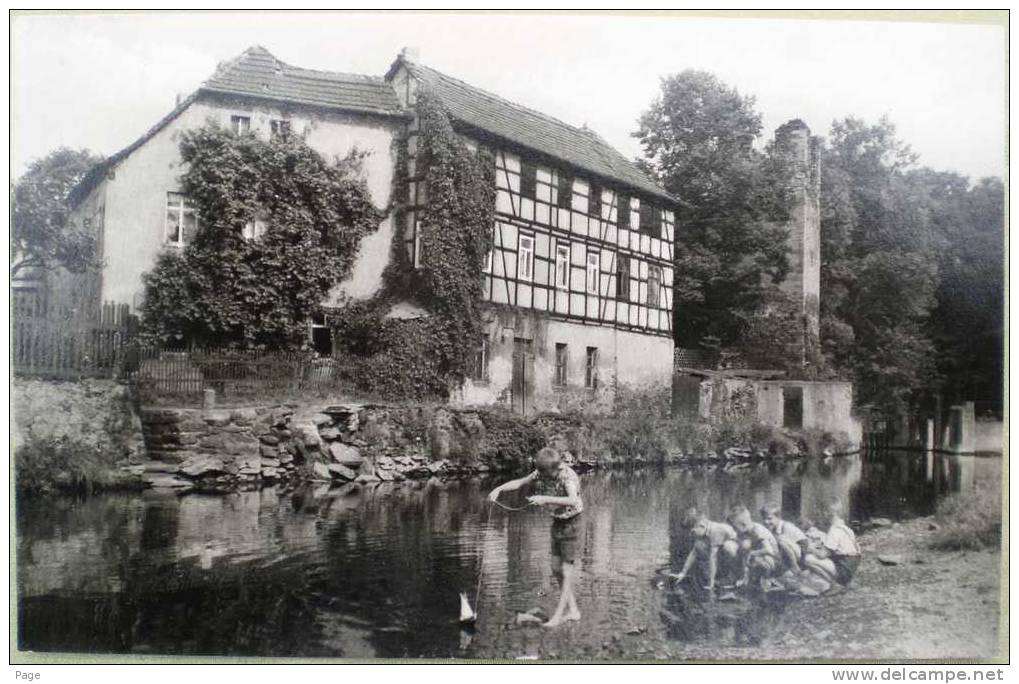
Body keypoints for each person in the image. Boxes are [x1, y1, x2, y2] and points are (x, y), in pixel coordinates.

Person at [487, 447, 583, 628]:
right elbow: (520, 482)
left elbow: (573, 500)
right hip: (558, 523)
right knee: (555, 568)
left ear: (554, 469)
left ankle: (558, 616)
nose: (542, 477)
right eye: (540, 474)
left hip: (573, 525)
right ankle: (573, 611)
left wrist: (544, 498)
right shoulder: (543, 470)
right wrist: (498, 489)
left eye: (545, 475)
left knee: (566, 571)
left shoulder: (568, 477)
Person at [668, 507, 741, 596]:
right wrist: (683, 573)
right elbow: (693, 553)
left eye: (693, 531)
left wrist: (711, 584)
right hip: (719, 547)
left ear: (702, 526)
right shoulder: (702, 529)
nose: (692, 533)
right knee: (699, 546)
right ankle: (719, 574)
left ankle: (733, 576)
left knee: (728, 547)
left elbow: (713, 558)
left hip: (737, 549)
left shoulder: (716, 530)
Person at [803, 500, 862, 588]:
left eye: (823, 512)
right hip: (850, 565)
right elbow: (833, 548)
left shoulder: (834, 530)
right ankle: (845, 581)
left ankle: (835, 584)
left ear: (830, 513)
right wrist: (819, 542)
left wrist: (810, 548)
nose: (822, 515)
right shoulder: (845, 528)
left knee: (808, 559)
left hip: (843, 568)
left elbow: (823, 555)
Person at [728, 504, 781, 590]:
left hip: (774, 560)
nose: (734, 530)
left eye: (735, 528)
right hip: (760, 557)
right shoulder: (745, 532)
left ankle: (767, 578)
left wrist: (752, 553)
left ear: (743, 525)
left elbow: (769, 550)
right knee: (743, 548)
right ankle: (746, 578)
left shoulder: (757, 530)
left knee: (753, 556)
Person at [760, 504, 809, 572]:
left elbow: (804, 544)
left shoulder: (785, 527)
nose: (766, 522)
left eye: (769, 518)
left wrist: (800, 563)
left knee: (781, 539)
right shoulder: (773, 528)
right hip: (791, 551)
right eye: (764, 518)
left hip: (801, 550)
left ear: (778, 518)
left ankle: (794, 567)